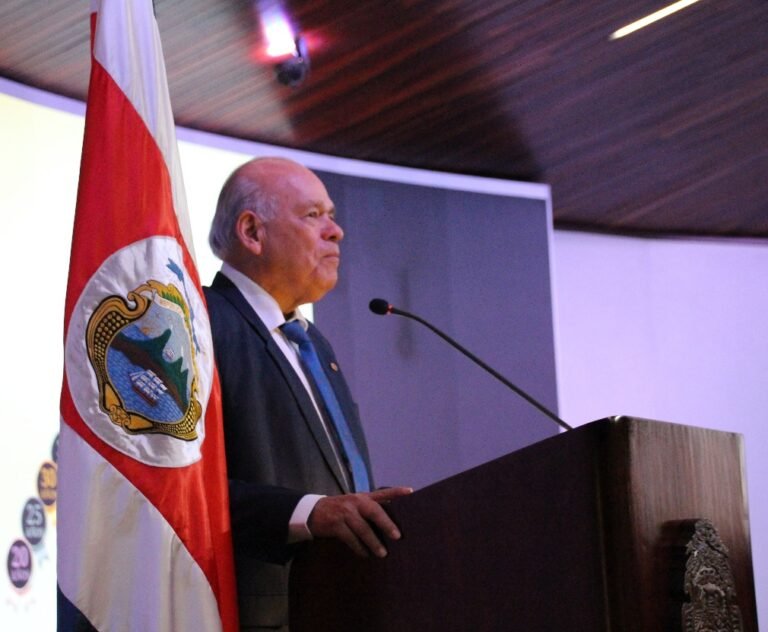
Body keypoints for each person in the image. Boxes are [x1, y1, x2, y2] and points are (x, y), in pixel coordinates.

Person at [204, 157, 412, 630]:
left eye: (332, 215)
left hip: (335, 610)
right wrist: (309, 513)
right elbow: (181, 493)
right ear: (252, 232)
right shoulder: (201, 323)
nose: (336, 231)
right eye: (313, 215)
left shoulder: (312, 343)